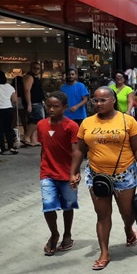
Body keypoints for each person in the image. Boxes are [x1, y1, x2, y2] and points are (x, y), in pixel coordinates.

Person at [70, 87, 137, 271]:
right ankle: (104, 253)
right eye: (95, 100)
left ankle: (128, 229)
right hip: (97, 175)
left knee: (127, 212)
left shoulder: (128, 121)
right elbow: (79, 150)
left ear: (113, 100)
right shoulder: (87, 123)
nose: (98, 104)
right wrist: (73, 172)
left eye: (103, 100)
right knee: (103, 215)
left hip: (124, 173)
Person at [38, 91, 79, 256]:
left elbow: (76, 151)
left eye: (56, 106)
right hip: (47, 172)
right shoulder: (41, 125)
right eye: (49, 106)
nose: (51, 109)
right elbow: (44, 147)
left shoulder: (71, 126)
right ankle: (54, 234)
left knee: (68, 205)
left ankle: (67, 234)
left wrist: (74, 173)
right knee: (48, 205)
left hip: (67, 173)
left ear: (65, 107)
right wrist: (43, 166)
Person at [0, 69, 18, 154]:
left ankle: (3, 149)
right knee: (8, 129)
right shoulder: (9, 86)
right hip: (8, 109)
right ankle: (11, 147)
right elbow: (14, 100)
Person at [22, 61, 46, 147]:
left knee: (34, 120)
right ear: (31, 68)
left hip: (38, 101)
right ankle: (27, 136)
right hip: (33, 102)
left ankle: (33, 139)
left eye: (38, 68)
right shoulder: (29, 77)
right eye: (34, 68)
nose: (36, 70)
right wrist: (29, 103)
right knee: (37, 120)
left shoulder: (36, 78)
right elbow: (27, 90)